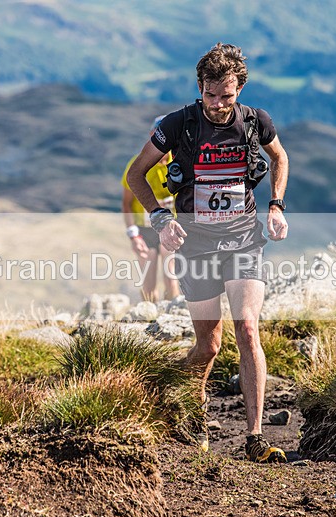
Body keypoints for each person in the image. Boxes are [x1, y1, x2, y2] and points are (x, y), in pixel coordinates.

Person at [125, 43, 290, 463]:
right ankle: (189, 414)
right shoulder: (178, 124)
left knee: (248, 329)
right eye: (211, 95)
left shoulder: (256, 121)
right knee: (209, 346)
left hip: (243, 240)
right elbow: (135, 174)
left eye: (227, 96)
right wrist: (161, 220)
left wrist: (275, 206)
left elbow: (280, 158)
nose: (217, 104)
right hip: (195, 246)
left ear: (239, 90)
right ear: (201, 87)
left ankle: (254, 437)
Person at [121, 116, 181, 302]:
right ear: (151, 136)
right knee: (149, 285)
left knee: (171, 277)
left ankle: (173, 316)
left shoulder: (179, 163)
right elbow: (126, 203)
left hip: (170, 227)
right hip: (145, 230)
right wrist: (133, 235)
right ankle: (150, 320)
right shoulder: (137, 164)